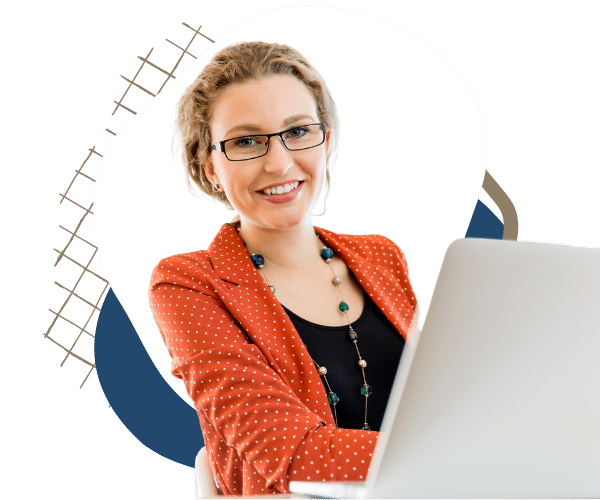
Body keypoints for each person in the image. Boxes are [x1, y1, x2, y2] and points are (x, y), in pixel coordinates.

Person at [148, 41, 418, 496]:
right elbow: (292, 454)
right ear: (209, 164)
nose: (279, 162)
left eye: (297, 132)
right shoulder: (187, 285)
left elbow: (435, 403)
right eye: (246, 141)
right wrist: (461, 454)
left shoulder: (381, 256)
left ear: (324, 140)